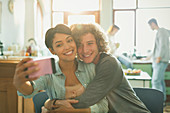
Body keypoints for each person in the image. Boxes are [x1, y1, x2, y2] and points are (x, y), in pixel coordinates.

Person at [45, 23, 150, 113]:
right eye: (80, 45)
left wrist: (52, 103)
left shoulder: (109, 63)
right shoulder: (85, 67)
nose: (85, 50)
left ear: (99, 44)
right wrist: (52, 102)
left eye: (90, 44)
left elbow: (85, 100)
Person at [13, 24, 109, 113]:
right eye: (59, 45)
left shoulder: (91, 67)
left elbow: (103, 106)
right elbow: (30, 89)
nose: (67, 47)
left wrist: (73, 111)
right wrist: (20, 83)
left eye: (69, 40)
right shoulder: (48, 67)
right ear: (52, 50)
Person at [147, 18, 170, 102]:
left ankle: (156, 101)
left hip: (160, 60)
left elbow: (162, 45)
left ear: (153, 23)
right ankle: (161, 100)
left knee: (155, 81)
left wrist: (159, 57)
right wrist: (148, 57)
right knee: (160, 81)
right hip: (159, 60)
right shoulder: (160, 32)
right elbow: (156, 48)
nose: (150, 27)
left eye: (150, 25)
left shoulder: (162, 31)